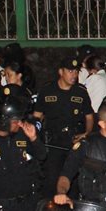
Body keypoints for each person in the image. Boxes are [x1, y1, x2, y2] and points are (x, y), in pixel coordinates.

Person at [34, 54, 95, 192]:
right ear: (61, 72)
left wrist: (87, 133)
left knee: (73, 182)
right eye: (70, 71)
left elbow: (89, 117)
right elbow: (37, 116)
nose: (74, 75)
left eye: (76, 71)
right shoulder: (47, 90)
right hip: (53, 143)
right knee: (52, 181)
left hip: (73, 141)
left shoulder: (81, 92)